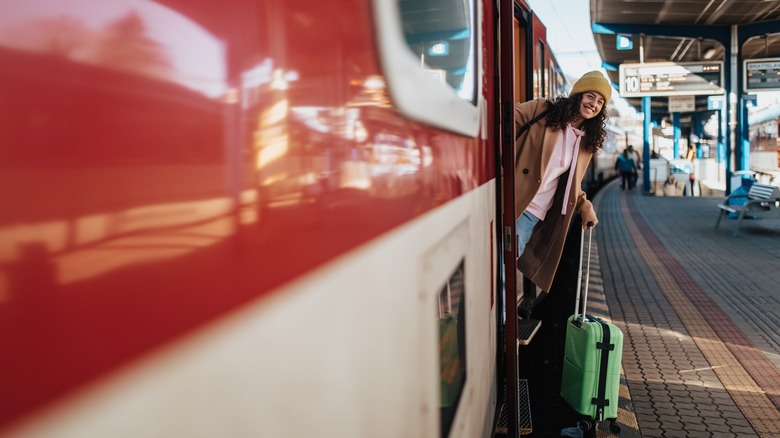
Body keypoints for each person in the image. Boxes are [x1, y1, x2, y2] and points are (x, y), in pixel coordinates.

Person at [513, 71, 610, 292]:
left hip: (532, 212)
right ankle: (499, 322)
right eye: (590, 96)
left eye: (600, 101)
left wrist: (585, 206)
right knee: (495, 264)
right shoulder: (543, 110)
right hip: (510, 196)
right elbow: (505, 118)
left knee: (503, 265)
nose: (593, 104)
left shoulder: (585, 143)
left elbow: (572, 184)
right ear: (578, 95)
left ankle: (501, 320)